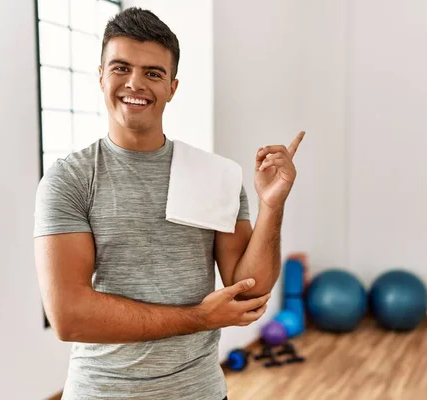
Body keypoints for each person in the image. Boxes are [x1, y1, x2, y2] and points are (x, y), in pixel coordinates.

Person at [33, 7, 304, 400]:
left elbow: (247, 294)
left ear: (172, 87)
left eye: (153, 73)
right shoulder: (69, 179)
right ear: (101, 76)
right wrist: (198, 319)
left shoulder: (215, 175)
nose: (135, 83)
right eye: (121, 68)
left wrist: (272, 207)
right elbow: (69, 317)